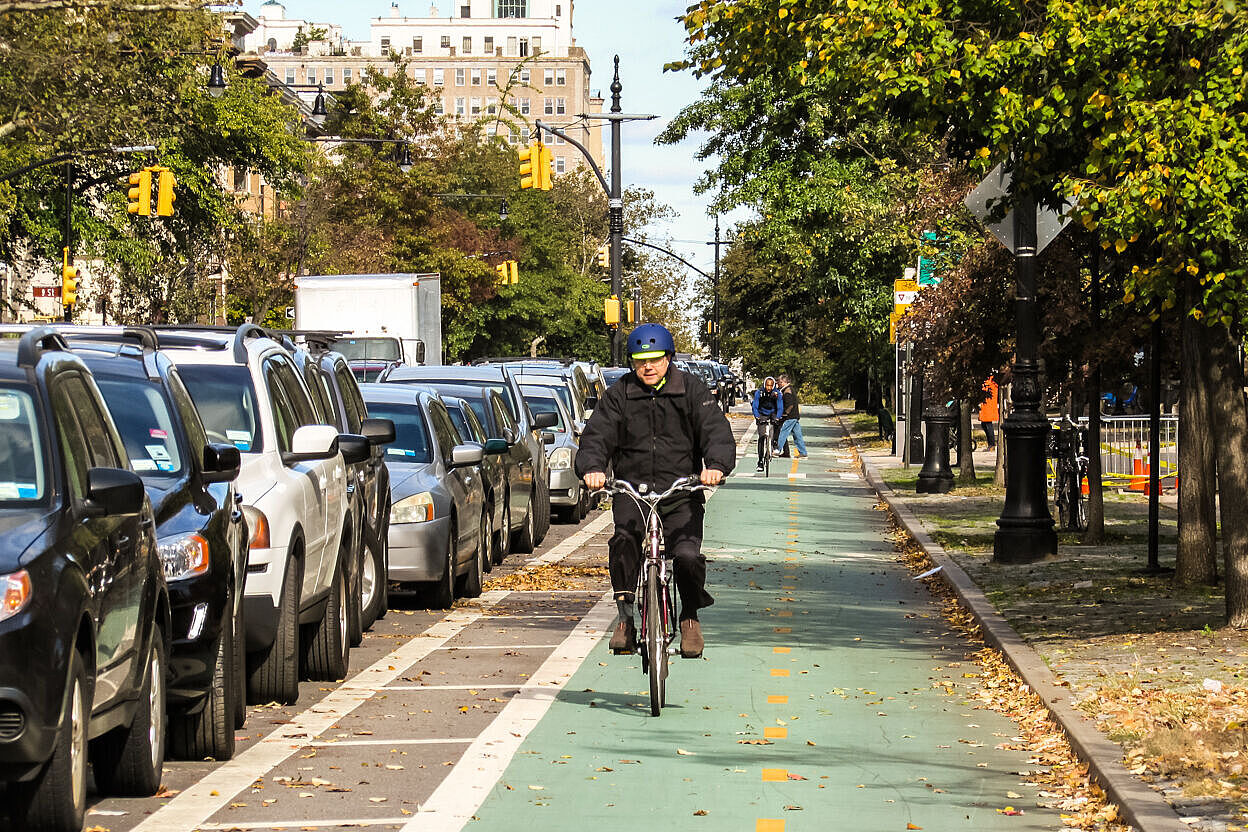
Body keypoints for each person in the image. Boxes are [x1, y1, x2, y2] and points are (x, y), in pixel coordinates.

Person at [576, 324, 736, 659]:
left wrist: (716, 465)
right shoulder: (619, 393)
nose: (647, 367)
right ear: (632, 363)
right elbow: (597, 435)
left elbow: (715, 431)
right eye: (639, 360)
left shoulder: (691, 390)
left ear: (669, 358)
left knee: (687, 557)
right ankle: (625, 617)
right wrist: (592, 468)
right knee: (623, 542)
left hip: (680, 491)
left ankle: (689, 615)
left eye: (655, 359)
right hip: (632, 490)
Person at [751, 376, 782, 471]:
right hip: (762, 413)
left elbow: (780, 407)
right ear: (764, 385)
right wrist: (757, 416)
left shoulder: (777, 394)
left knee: (778, 423)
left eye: (771, 386)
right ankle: (760, 461)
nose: (769, 388)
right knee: (761, 436)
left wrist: (777, 417)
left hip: (773, 412)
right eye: (767, 385)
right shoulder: (759, 393)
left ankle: (775, 443)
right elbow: (755, 406)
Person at [775, 374, 808, 459]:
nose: (778, 383)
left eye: (779, 382)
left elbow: (790, 405)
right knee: (797, 435)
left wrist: (785, 413)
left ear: (783, 382)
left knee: (783, 432)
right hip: (795, 416)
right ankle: (803, 452)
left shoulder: (787, 391)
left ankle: (777, 450)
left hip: (791, 416)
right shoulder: (789, 389)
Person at [979, 376, 999, 450]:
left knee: (987, 424)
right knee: (985, 424)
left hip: (988, 405)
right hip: (987, 405)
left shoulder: (989, 382)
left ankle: (992, 444)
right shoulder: (991, 382)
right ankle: (991, 444)